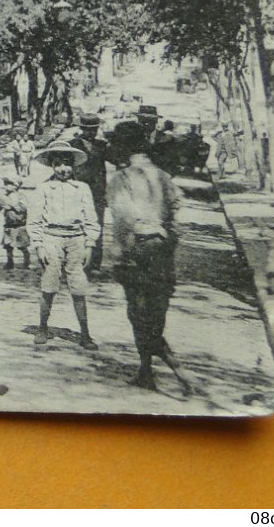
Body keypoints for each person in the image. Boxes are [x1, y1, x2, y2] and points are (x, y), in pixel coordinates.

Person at [108, 120, 194, 394]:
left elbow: (123, 220)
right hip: (162, 250)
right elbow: (175, 212)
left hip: (139, 249)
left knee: (137, 313)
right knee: (156, 313)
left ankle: (176, 370)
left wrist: (121, 256)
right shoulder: (162, 176)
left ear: (122, 146)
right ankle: (146, 372)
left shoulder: (121, 179)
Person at [31, 143, 101, 350]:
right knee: (49, 284)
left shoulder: (82, 189)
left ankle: (85, 333)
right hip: (51, 238)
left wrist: (90, 244)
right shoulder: (44, 188)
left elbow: (91, 218)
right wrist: (38, 245)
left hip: (76, 239)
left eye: (67, 164)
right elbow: (34, 219)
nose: (63, 169)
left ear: (74, 166)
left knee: (78, 286)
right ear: (52, 165)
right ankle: (42, 327)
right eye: (58, 164)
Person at [70, 112, 110, 271]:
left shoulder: (102, 146)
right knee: (77, 226)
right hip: (77, 192)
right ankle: (77, 260)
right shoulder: (73, 145)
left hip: (98, 193)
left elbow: (115, 158)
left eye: (94, 129)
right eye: (87, 129)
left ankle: (95, 263)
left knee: (97, 227)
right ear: (81, 128)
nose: (91, 133)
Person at [0, 176, 31, 271]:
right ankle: (10, 262)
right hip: (8, 225)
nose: (5, 186)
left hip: (19, 225)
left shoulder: (21, 196)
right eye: (5, 184)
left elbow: (23, 208)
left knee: (22, 245)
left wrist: (11, 206)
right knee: (8, 246)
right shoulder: (3, 197)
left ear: (15, 186)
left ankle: (27, 261)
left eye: (8, 184)